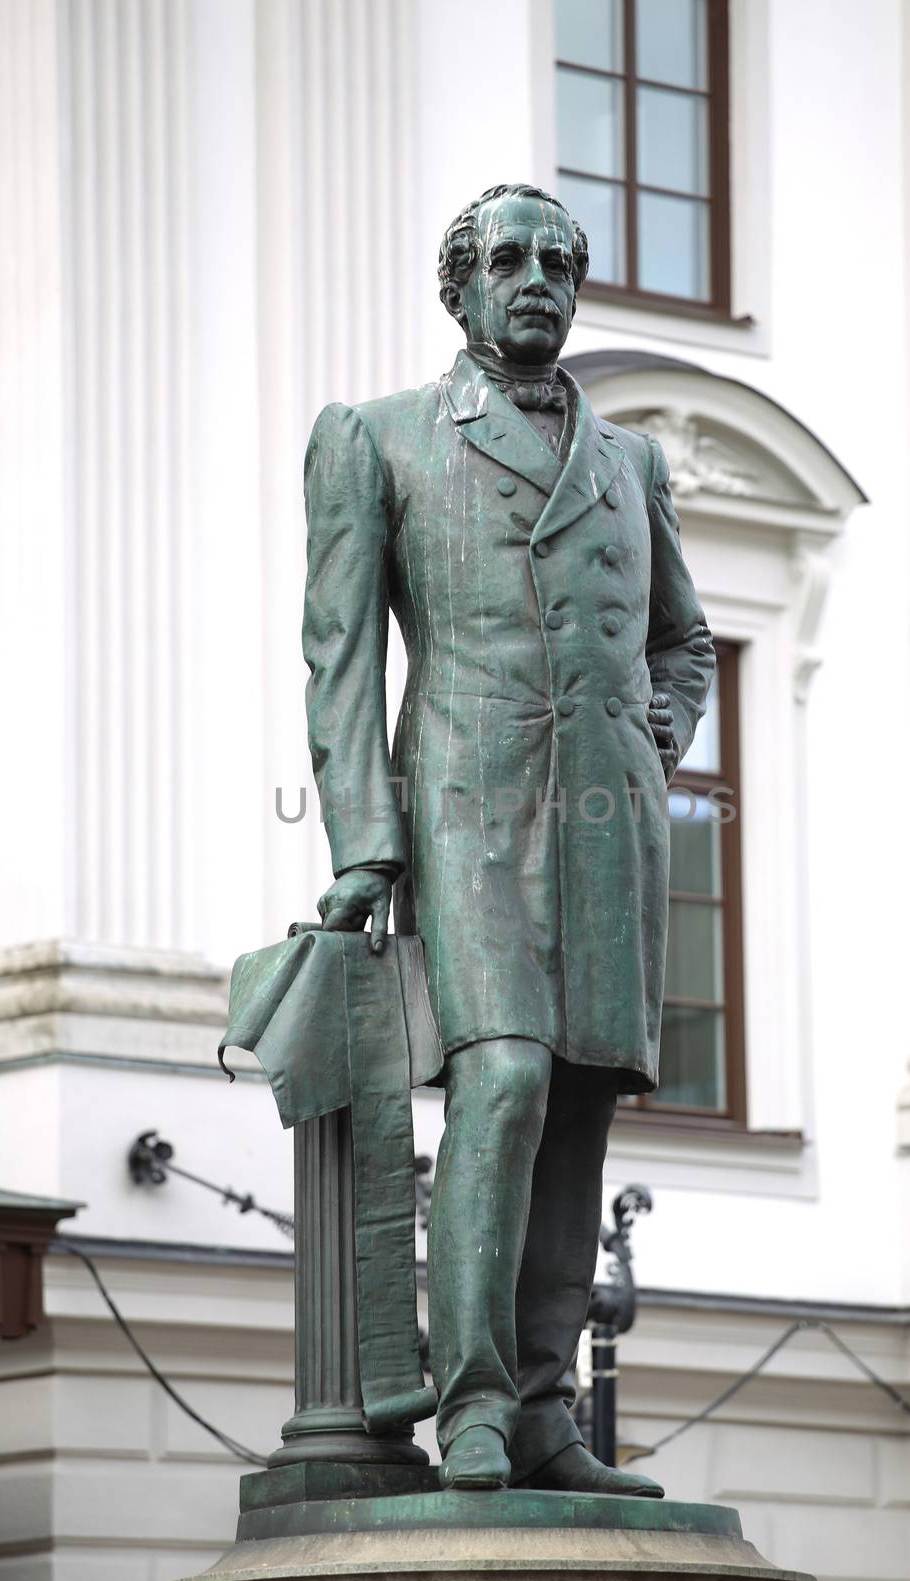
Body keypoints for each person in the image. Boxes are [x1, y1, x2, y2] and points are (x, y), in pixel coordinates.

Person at [303, 183, 715, 1493]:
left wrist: (660, 733)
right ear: (462, 288)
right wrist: (366, 838)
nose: (536, 279)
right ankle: (474, 1402)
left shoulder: (632, 459)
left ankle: (546, 1416)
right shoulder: (381, 438)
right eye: (508, 260)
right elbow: (341, 657)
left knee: (582, 1101)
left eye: (557, 261)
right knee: (506, 1076)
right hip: (467, 801)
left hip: (610, 819)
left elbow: (684, 638)